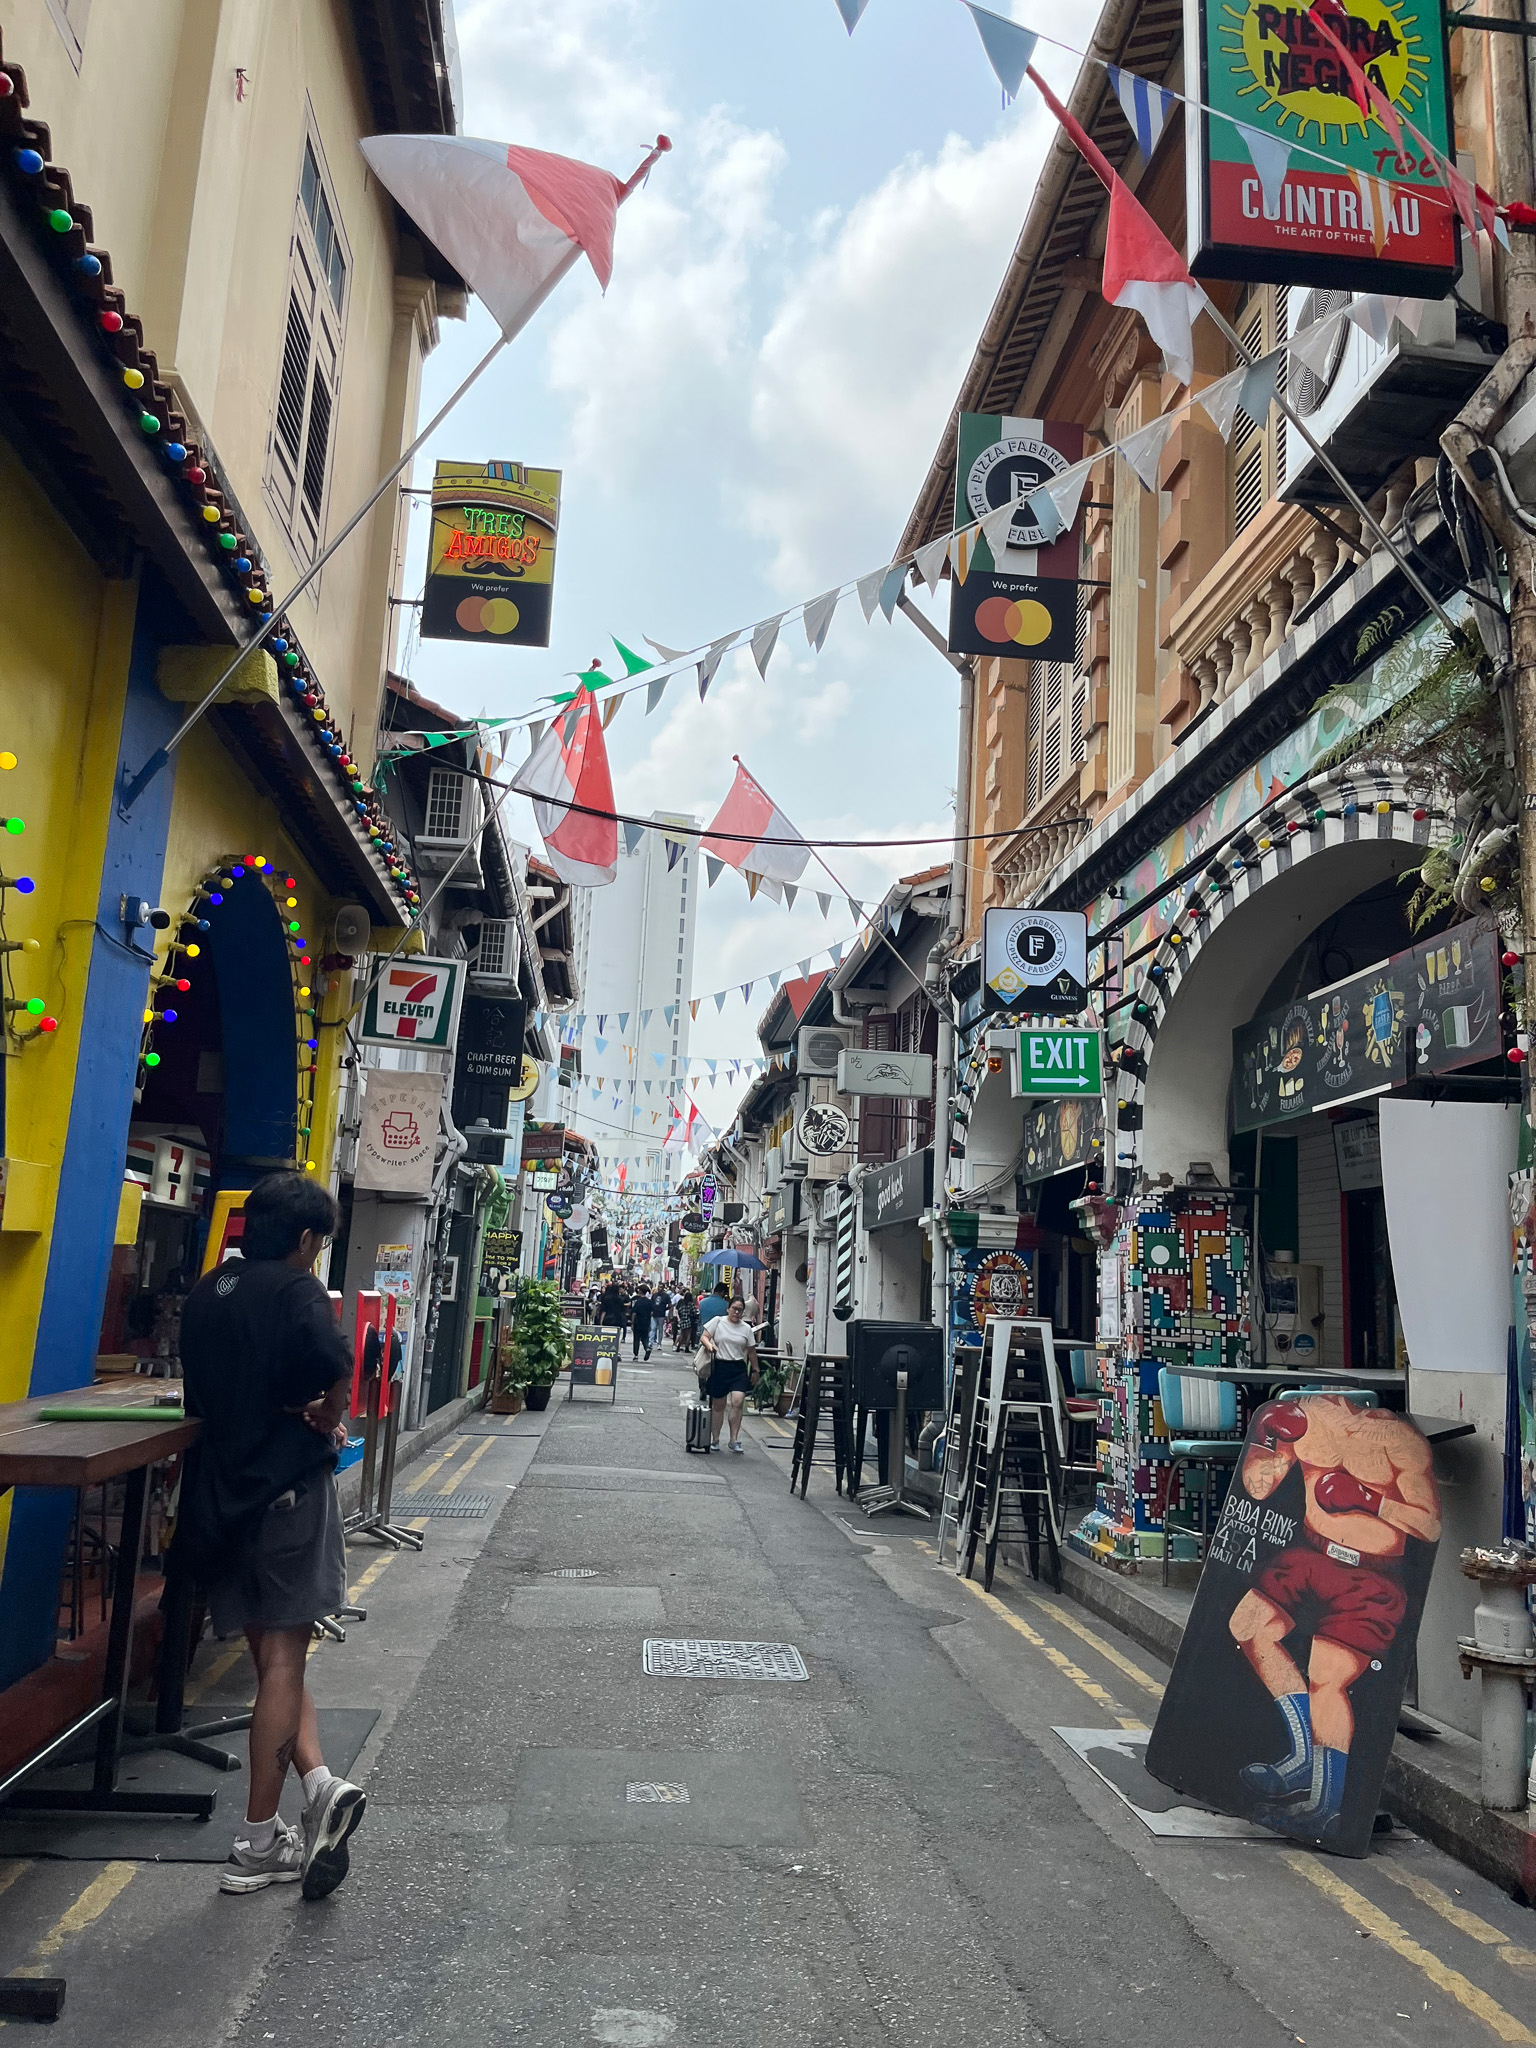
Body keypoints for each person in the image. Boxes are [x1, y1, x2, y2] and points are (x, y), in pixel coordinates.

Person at [175, 1171, 367, 1900]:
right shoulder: (296, 1292)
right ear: (309, 1239)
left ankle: (319, 1788)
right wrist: (330, 1409)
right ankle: (257, 1841)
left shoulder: (207, 1292)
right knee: (286, 1657)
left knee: (268, 1658)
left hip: (221, 1496)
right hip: (285, 1493)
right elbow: (335, 1360)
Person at [1227, 1395, 1441, 1844]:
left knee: (1327, 1680)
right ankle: (1304, 1756)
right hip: (1310, 1553)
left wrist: (1371, 1501)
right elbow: (1258, 1487)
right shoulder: (1310, 1417)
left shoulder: (1402, 1442)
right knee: (1248, 1626)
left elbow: (1429, 1525)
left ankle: (1326, 1807)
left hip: (1369, 1575)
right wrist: (1266, 1440)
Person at [699, 1297, 758, 1453]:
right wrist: (709, 1344)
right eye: (734, 1308)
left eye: (740, 1310)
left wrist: (755, 1370)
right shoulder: (718, 1321)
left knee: (738, 1401)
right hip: (720, 1365)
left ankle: (734, 1439)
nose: (737, 1312)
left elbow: (751, 1350)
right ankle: (716, 1439)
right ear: (728, 1309)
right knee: (718, 1405)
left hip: (738, 1367)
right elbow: (704, 1336)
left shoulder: (746, 1329)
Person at [630, 1284, 654, 1360]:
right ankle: (647, 1348)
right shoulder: (649, 1302)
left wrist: (632, 1323)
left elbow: (634, 1313)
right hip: (646, 1322)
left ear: (640, 1291)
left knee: (636, 1339)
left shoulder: (638, 1302)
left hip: (638, 1322)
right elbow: (652, 1313)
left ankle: (636, 1355)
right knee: (645, 1337)